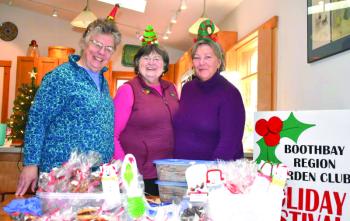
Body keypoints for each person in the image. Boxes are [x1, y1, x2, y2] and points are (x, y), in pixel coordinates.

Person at [15, 15, 122, 196]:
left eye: (108, 48)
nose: (101, 52)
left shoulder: (103, 83)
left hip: (94, 177)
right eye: (97, 44)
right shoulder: (60, 77)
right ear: (84, 43)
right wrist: (31, 163)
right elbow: (38, 120)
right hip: (61, 176)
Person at [113, 25, 179, 196]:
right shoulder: (128, 90)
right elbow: (112, 135)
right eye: (146, 58)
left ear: (164, 65)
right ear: (137, 63)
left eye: (157, 59)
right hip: (139, 175)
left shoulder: (171, 88)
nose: (151, 62)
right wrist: (125, 170)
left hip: (169, 171)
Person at [173, 19, 245, 161]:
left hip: (211, 176)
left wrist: (208, 176)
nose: (201, 62)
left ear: (218, 61)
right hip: (182, 171)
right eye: (197, 58)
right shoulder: (187, 88)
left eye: (208, 57)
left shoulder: (230, 94)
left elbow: (229, 144)